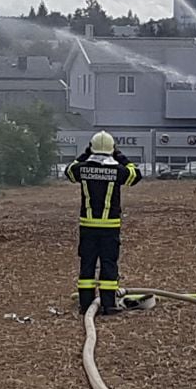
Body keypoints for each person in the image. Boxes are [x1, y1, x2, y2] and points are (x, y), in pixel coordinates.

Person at [65, 131, 141, 316]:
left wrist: (85, 154)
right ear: (111, 149)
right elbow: (135, 174)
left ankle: (85, 304)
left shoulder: (82, 168)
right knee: (108, 264)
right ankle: (108, 304)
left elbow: (69, 170)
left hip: (88, 226)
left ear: (91, 148)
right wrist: (119, 155)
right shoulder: (117, 170)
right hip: (110, 226)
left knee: (87, 264)